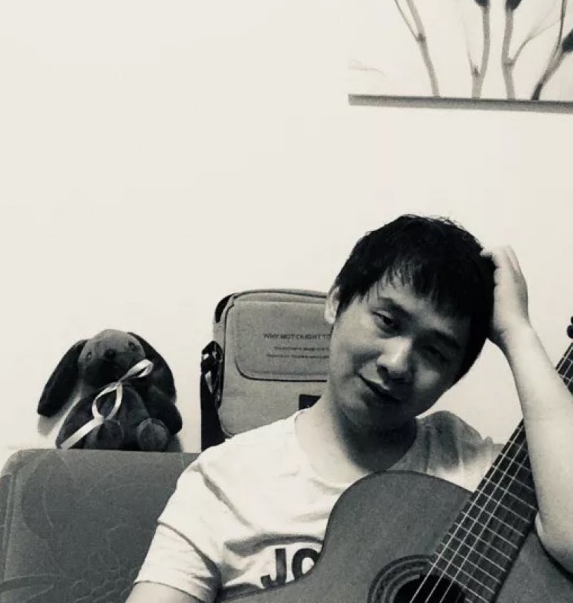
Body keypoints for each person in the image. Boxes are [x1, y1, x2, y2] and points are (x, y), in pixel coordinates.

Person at [127, 214, 573, 603]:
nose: (397, 363)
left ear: (454, 377)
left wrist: (518, 334)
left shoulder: (477, 472)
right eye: (387, 322)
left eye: (435, 352)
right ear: (336, 301)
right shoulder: (224, 479)